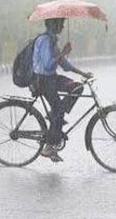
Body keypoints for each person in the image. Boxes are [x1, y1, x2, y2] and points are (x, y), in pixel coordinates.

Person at [33, 17, 92, 162]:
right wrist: (63, 52)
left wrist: (82, 73)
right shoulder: (45, 41)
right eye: (61, 24)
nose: (63, 27)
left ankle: (55, 115)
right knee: (59, 112)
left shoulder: (52, 40)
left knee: (77, 87)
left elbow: (64, 65)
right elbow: (47, 65)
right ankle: (48, 147)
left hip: (51, 78)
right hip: (43, 81)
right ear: (54, 24)